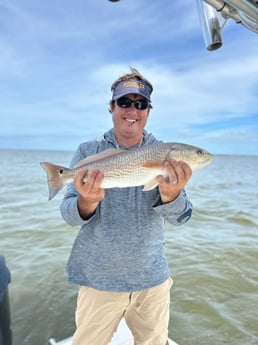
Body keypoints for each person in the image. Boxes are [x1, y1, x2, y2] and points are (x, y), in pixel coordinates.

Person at [60, 67, 193, 345]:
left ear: (147, 110)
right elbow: (69, 216)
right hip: (99, 279)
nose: (132, 109)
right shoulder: (88, 152)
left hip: (152, 280)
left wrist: (171, 195)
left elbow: (182, 218)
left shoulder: (164, 153)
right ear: (111, 107)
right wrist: (86, 202)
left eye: (140, 103)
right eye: (124, 102)